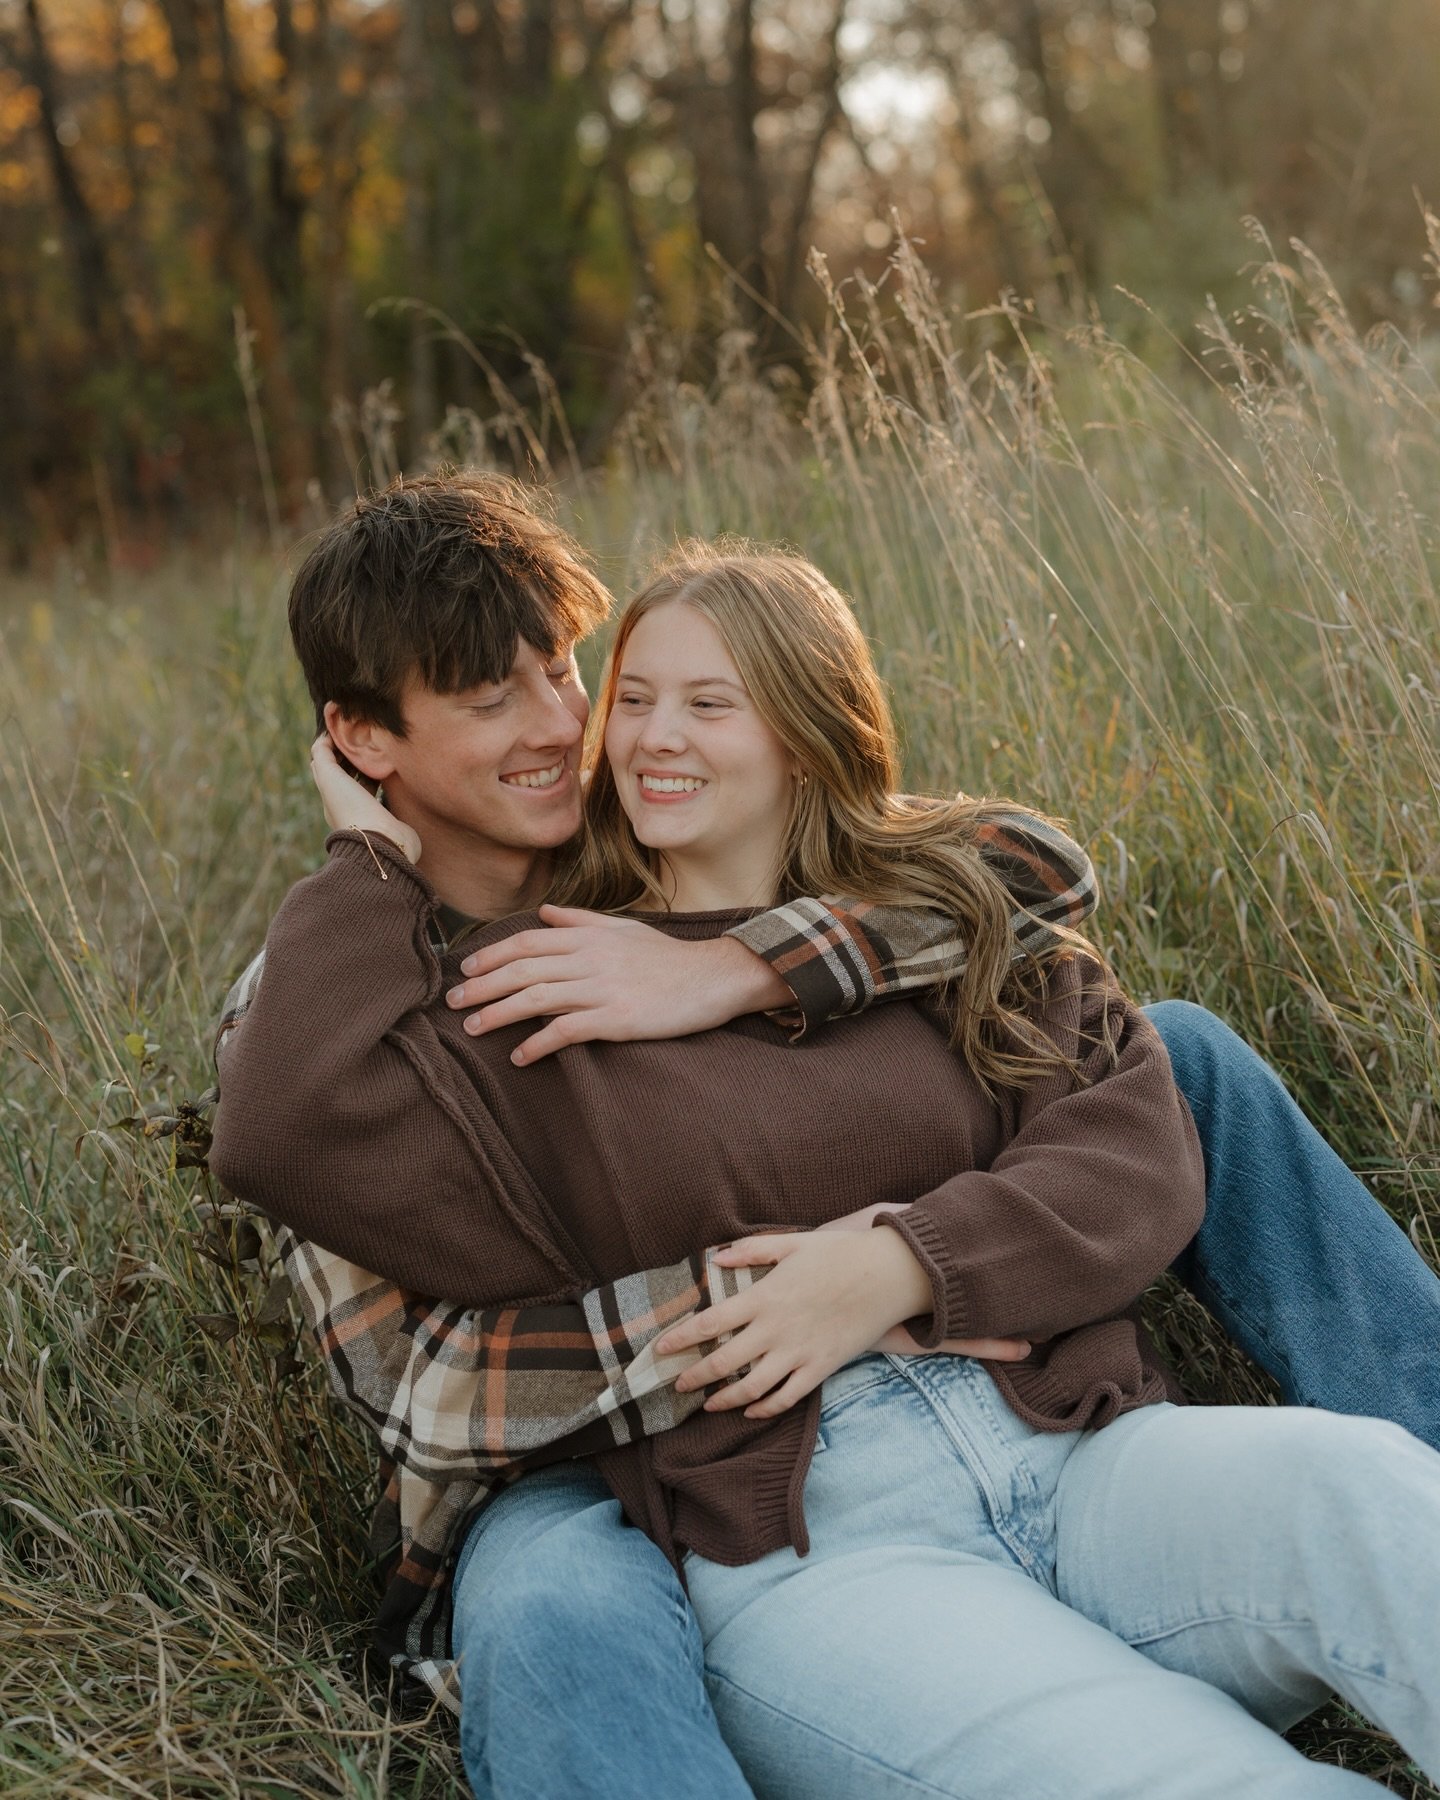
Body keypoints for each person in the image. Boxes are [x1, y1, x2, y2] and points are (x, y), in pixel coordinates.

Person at [213, 532, 1440, 1797]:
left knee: (1374, 1498)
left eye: (575, 675)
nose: (578, 729)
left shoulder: (830, 914)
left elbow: (1034, 873)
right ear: (365, 739)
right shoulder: (418, 1023)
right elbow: (418, 1374)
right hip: (759, 1513)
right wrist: (773, 1302)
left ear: (797, 734)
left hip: (1073, 1444)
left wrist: (747, 989)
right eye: (506, 699)